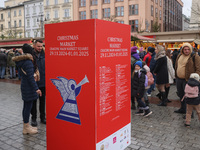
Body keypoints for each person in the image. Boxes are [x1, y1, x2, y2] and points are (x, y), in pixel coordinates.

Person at [12, 43, 42, 134]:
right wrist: (37, 88)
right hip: (29, 87)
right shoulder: (28, 62)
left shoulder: (22, 60)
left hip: (25, 86)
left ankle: (27, 125)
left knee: (26, 106)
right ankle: (26, 128)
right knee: (28, 107)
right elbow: (30, 77)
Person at [174, 43, 200, 114]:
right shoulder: (179, 55)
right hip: (179, 79)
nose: (187, 51)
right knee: (181, 94)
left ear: (190, 49)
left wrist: (195, 80)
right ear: (182, 50)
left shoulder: (194, 56)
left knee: (189, 97)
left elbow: (198, 69)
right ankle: (182, 109)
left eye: (188, 49)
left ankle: (189, 113)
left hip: (188, 80)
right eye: (185, 49)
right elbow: (176, 65)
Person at [31, 39, 46, 126]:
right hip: (34, 83)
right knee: (34, 101)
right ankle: (33, 118)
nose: (40, 48)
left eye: (41, 46)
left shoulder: (45, 54)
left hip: (43, 82)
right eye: (38, 46)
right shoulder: (31, 55)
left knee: (42, 101)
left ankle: (42, 117)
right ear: (34, 46)